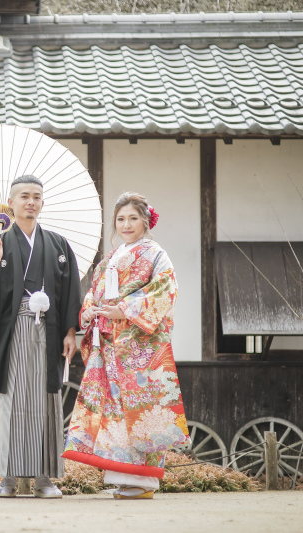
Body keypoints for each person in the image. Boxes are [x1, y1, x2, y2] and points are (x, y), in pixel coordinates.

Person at [62, 192, 190, 500]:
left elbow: (164, 290)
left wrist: (126, 311)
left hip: (139, 347)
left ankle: (144, 481)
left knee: (141, 410)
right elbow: (93, 293)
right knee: (114, 412)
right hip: (108, 345)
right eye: (121, 219)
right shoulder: (110, 258)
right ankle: (123, 477)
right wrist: (89, 311)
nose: (126, 224)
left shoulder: (156, 254)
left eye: (133, 218)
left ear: (146, 221)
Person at [0, 175, 82, 498]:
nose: (31, 202)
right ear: (11, 203)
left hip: (49, 332)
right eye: (24, 196)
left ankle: (44, 478)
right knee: (9, 400)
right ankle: (8, 478)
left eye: (37, 197)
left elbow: (71, 290)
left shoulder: (58, 245)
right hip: (11, 332)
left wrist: (71, 332)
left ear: (42, 203)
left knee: (46, 401)